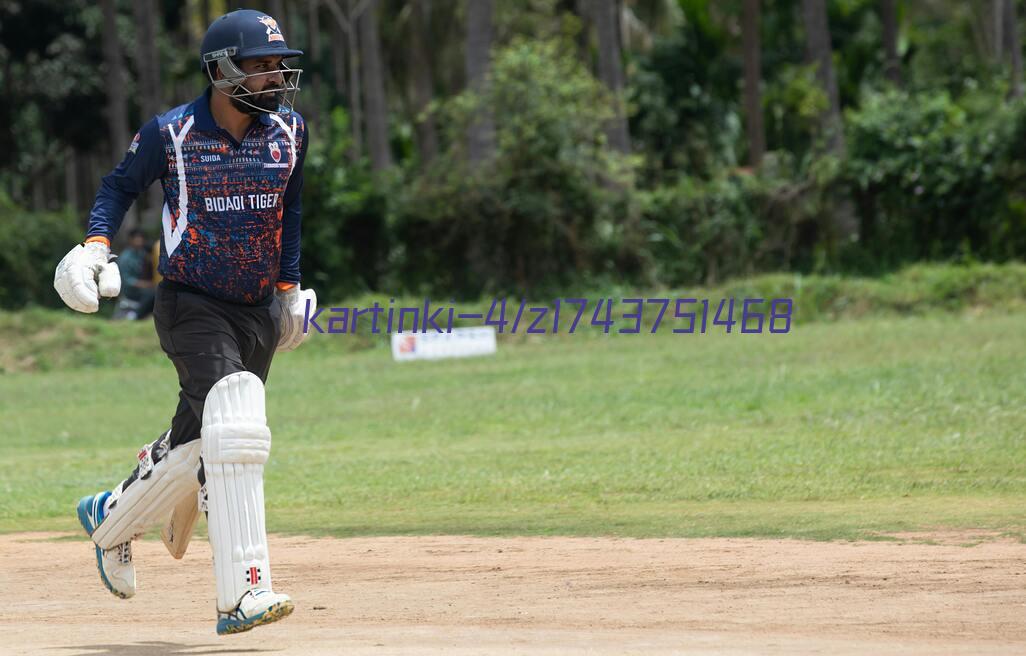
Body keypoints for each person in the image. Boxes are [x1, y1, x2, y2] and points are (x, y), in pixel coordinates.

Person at [53, 9, 318, 635]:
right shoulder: (170, 134)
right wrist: (95, 246)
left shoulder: (290, 131)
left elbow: (293, 206)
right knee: (235, 425)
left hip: (255, 307)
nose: (276, 74)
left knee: (201, 440)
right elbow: (117, 188)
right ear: (222, 70)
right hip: (191, 303)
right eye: (261, 64)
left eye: (279, 63)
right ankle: (242, 594)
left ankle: (111, 517)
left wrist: (289, 288)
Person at [112, 228, 155, 320]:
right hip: (130, 291)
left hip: (143, 287)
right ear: (130, 240)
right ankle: (134, 315)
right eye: (136, 238)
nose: (139, 240)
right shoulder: (125, 257)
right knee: (152, 293)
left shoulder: (142, 253)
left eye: (141, 238)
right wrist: (144, 284)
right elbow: (126, 280)